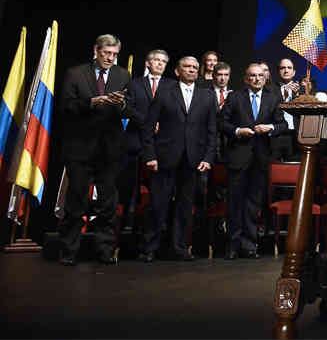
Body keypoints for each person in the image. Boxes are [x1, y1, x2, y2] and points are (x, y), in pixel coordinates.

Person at [56, 34, 136, 265]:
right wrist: (92, 102)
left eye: (114, 54)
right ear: (96, 51)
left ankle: (105, 251)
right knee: (76, 201)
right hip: (80, 148)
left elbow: (129, 109)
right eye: (106, 53)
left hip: (109, 150)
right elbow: (66, 106)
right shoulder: (76, 73)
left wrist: (120, 103)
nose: (110, 58)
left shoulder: (123, 75)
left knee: (108, 204)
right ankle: (68, 252)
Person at [138, 56, 217, 262]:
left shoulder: (207, 96)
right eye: (187, 67)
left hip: (193, 160)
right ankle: (150, 248)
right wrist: (150, 155)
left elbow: (212, 131)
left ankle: (180, 248)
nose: (191, 70)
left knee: (184, 206)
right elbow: (148, 127)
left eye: (194, 67)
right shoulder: (164, 92)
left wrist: (208, 157)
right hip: (164, 159)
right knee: (158, 204)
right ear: (177, 71)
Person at [221, 63, 288, 259]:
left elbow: (282, 124)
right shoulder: (235, 97)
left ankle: (249, 245)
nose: (257, 79)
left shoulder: (273, 97)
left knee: (253, 204)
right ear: (245, 79)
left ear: (265, 78)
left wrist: (271, 128)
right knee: (235, 203)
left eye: (260, 75)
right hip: (238, 157)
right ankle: (233, 246)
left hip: (260, 158)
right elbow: (222, 123)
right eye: (252, 76)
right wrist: (236, 131)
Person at [123, 49, 175, 233]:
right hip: (135, 142)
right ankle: (128, 224)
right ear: (148, 63)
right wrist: (149, 123)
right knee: (131, 189)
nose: (160, 64)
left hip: (162, 145)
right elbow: (127, 108)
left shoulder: (172, 86)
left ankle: (158, 225)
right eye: (156, 60)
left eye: (163, 61)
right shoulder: (135, 84)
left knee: (159, 189)